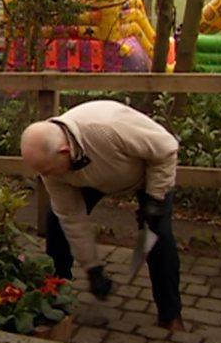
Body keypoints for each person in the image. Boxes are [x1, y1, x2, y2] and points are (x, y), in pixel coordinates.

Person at [20, 100, 186, 331]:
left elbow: (166, 147)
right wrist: (92, 267)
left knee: (157, 236)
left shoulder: (108, 128)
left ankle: (170, 316)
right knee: (56, 222)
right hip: (93, 176)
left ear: (64, 151)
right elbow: (72, 219)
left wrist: (155, 200)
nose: (44, 177)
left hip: (147, 174)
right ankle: (56, 297)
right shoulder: (51, 167)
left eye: (46, 171)